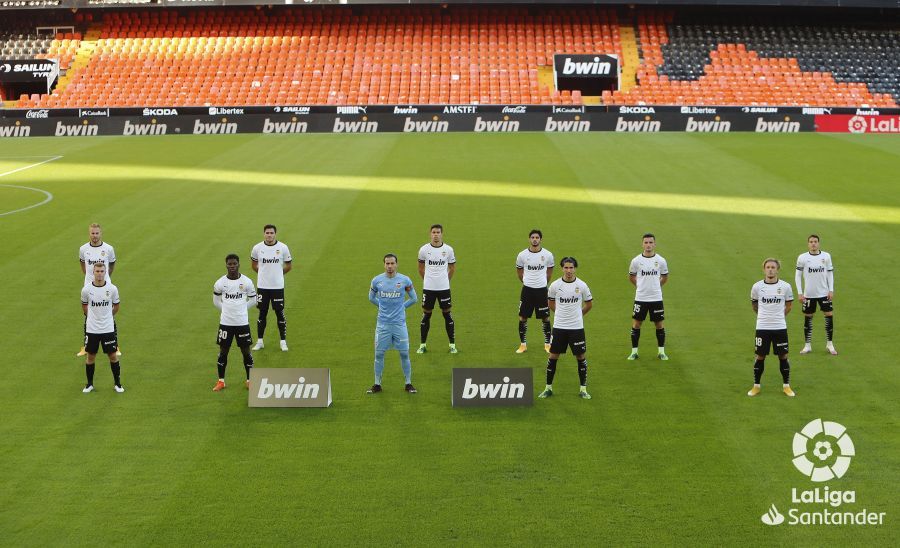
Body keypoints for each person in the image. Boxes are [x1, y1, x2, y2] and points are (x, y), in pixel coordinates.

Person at [539, 257, 593, 400]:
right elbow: (550, 303)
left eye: (571, 268)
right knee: (553, 356)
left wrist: (578, 315)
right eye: (566, 268)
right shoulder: (555, 286)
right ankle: (548, 388)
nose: (569, 271)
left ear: (575, 268)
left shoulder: (582, 285)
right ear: (562, 268)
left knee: (580, 356)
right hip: (559, 327)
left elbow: (589, 304)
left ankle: (583, 389)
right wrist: (561, 314)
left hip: (576, 328)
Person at [367, 254, 418, 394]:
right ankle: (377, 384)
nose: (390, 266)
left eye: (392, 263)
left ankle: (408, 383)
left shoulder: (405, 280)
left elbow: (414, 298)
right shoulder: (377, 281)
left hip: (399, 324)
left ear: (397, 264)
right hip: (382, 324)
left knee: (404, 354)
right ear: (384, 265)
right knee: (378, 354)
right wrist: (381, 306)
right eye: (387, 264)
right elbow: (370, 297)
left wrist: (403, 307)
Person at [748, 258, 795, 397]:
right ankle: (756, 386)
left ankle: (786, 386)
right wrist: (764, 316)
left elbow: (789, 306)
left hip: (780, 327)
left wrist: (778, 317)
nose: (770, 269)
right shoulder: (757, 287)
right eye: (768, 267)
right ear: (764, 269)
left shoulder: (785, 286)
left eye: (773, 267)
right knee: (760, 356)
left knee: (783, 356)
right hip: (762, 327)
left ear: (777, 269)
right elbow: (754, 306)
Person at [212, 254, 257, 392]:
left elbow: (253, 300)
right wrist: (226, 311)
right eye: (229, 264)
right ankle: (221, 381)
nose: (232, 266)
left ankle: (250, 380)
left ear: (238, 264)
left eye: (234, 264)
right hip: (226, 323)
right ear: (226, 265)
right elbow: (216, 301)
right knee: (223, 352)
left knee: (246, 352)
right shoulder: (220, 283)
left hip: (242, 323)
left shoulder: (247, 282)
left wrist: (242, 309)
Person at [80, 262, 123, 393]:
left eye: (101, 271)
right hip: (92, 329)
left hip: (108, 328)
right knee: (90, 356)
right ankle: (89, 384)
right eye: (97, 271)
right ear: (93, 272)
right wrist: (94, 318)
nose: (99, 274)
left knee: (113, 356)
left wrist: (106, 317)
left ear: (105, 272)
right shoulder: (86, 290)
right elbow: (84, 307)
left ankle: (118, 384)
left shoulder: (112, 289)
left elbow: (116, 306)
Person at [78, 223, 119, 357]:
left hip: (105, 286)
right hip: (90, 286)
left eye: (97, 233)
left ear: (101, 233)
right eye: (92, 233)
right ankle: (86, 345)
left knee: (108, 312)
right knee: (88, 313)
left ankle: (115, 344)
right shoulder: (83, 249)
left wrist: (106, 276)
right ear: (89, 234)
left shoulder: (108, 248)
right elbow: (83, 264)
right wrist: (89, 278)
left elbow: (112, 264)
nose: (94, 236)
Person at [250, 224, 293, 352]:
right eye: (267, 233)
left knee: (279, 313)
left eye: (271, 233)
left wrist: (279, 275)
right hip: (263, 287)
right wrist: (263, 275)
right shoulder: (257, 248)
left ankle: (283, 341)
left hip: (277, 287)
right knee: (262, 313)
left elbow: (289, 265)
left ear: (275, 234)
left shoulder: (283, 248)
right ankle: (260, 341)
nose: (269, 235)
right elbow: (254, 264)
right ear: (264, 234)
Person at [627, 233, 669, 361]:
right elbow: (631, 277)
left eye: (651, 242)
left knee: (659, 324)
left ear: (655, 244)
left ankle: (661, 352)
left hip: (656, 298)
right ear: (642, 244)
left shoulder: (661, 260)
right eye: (646, 242)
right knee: (637, 324)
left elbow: (665, 277)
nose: (648, 245)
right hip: (641, 298)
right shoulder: (636, 261)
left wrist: (656, 286)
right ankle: (634, 352)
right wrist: (640, 286)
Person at [417, 224, 457, 354]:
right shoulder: (423, 250)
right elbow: (421, 268)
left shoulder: (448, 250)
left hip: (444, 288)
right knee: (426, 315)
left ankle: (452, 345)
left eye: (438, 232)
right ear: (430, 234)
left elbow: (452, 268)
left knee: (447, 315)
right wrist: (428, 280)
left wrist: (445, 281)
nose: (435, 234)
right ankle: (422, 345)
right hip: (428, 288)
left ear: (442, 234)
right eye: (433, 232)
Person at [795, 234, 836, 355]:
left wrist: (831, 289)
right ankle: (807, 345)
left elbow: (830, 273)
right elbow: (797, 275)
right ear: (808, 244)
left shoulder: (826, 256)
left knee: (828, 314)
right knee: (808, 316)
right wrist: (800, 293)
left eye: (815, 241)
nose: (813, 244)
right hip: (808, 294)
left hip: (824, 293)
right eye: (811, 242)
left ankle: (830, 344)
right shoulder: (802, 257)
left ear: (819, 243)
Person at [515, 229, 554, 354]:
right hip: (527, 290)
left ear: (541, 239)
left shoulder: (548, 255)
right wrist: (527, 281)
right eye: (532, 237)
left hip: (542, 290)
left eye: (537, 237)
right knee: (522, 317)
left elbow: (549, 272)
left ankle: (547, 344)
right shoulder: (522, 255)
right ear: (529, 239)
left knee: (546, 317)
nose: (535, 239)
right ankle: (523, 344)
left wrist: (542, 283)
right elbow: (519, 273)